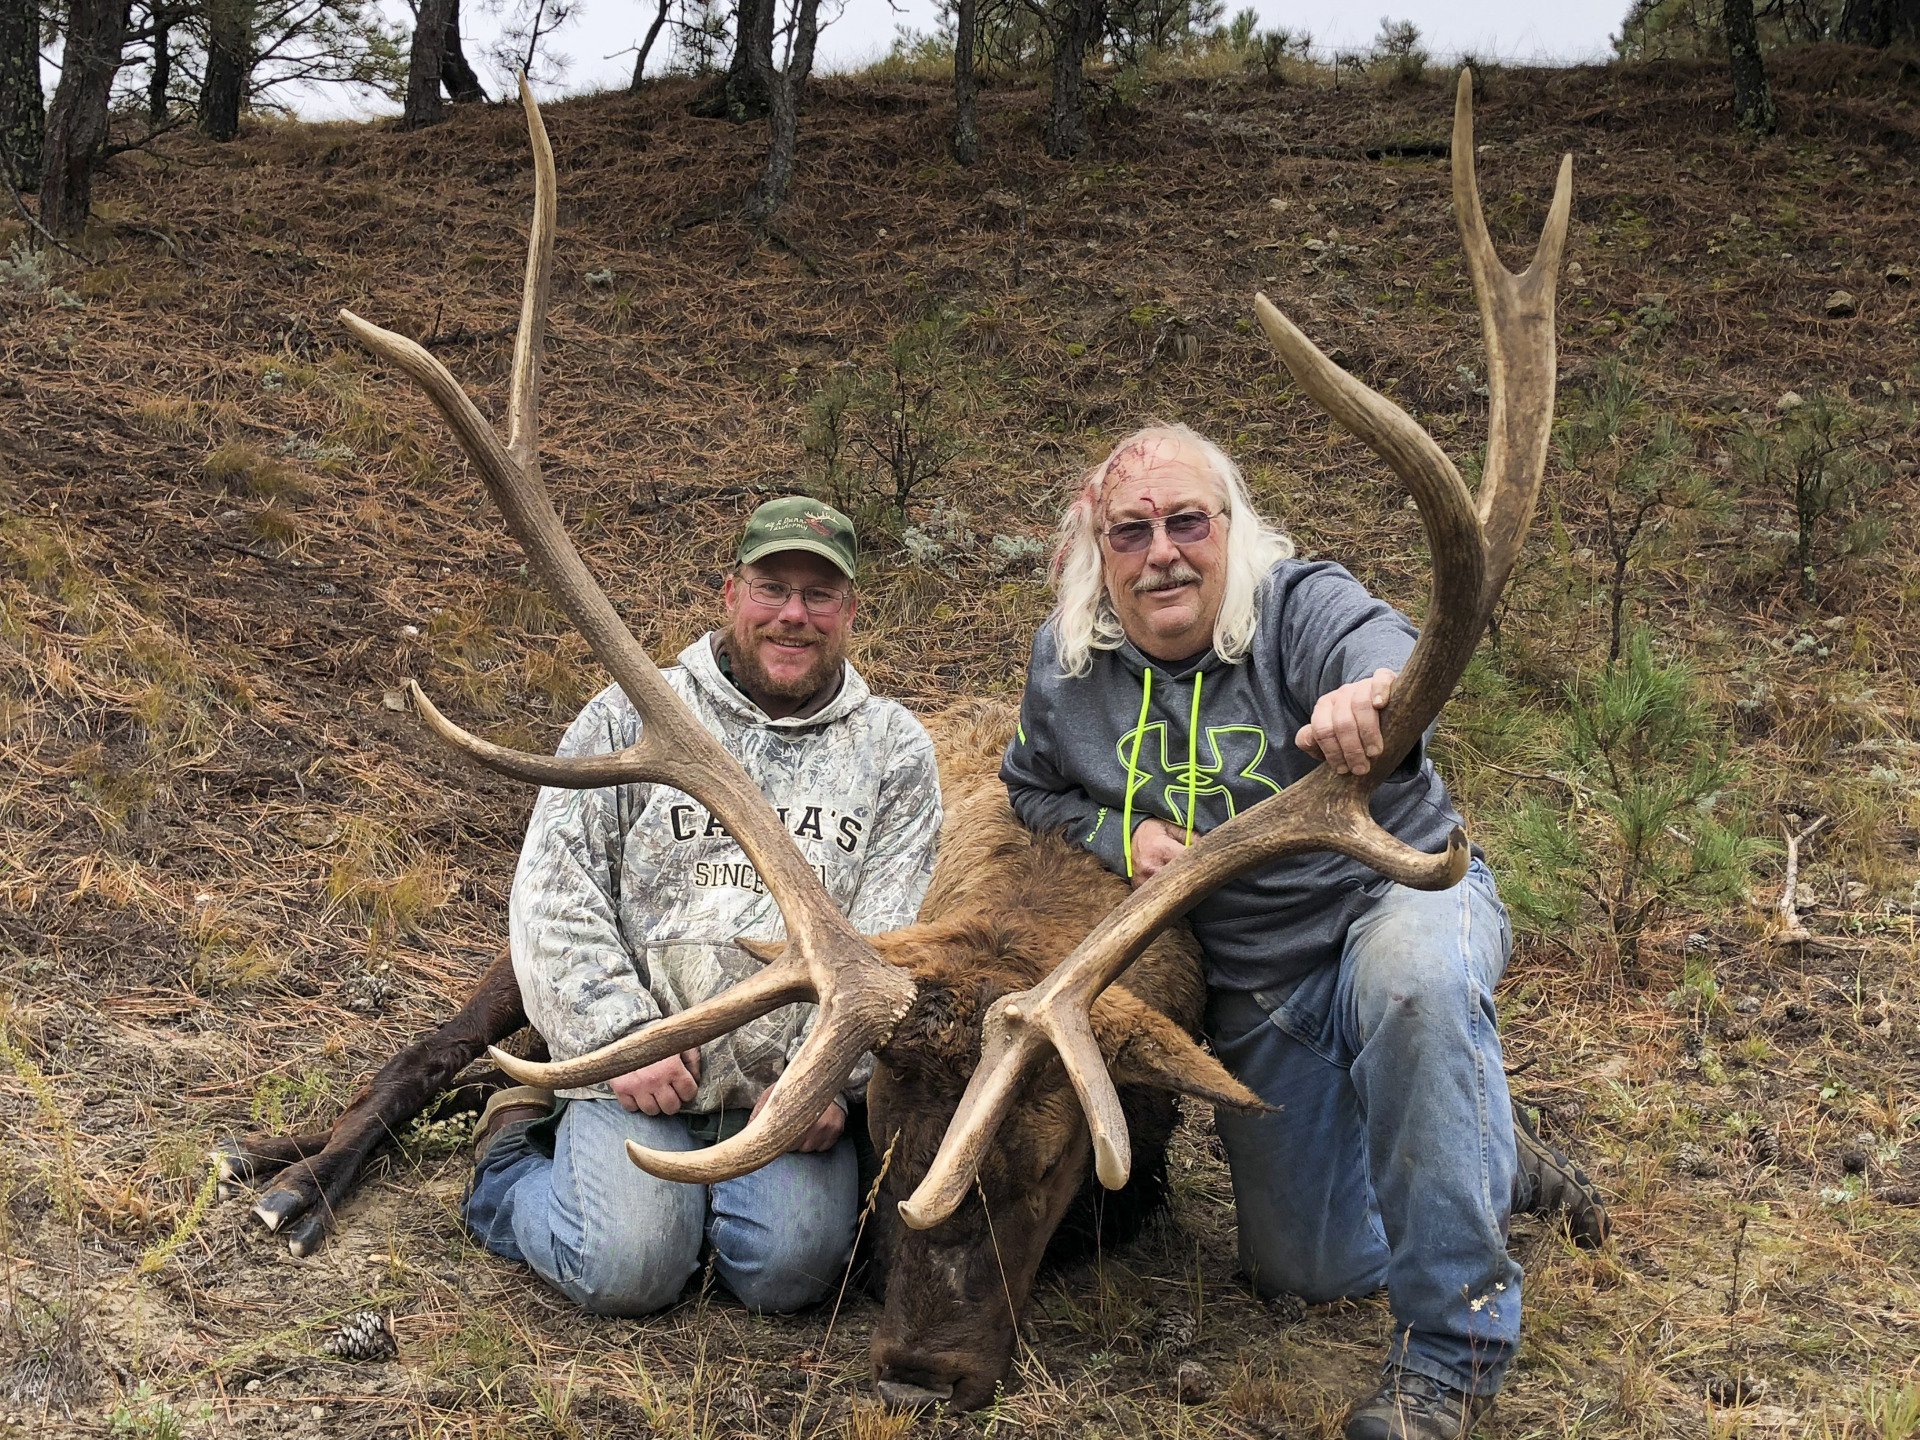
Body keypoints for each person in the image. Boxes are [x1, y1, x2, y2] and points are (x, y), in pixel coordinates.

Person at [1000, 425, 1607, 1440]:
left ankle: (1450, 1355)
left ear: (1231, 528)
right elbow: (1031, 788)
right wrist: (1121, 832)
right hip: (1264, 986)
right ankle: (1481, 1147)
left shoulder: (1297, 603)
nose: (1162, 553)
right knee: (1306, 1271)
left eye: (1188, 522)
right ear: (1096, 553)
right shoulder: (1067, 668)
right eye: (1131, 532)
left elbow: (1395, 652)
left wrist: (1377, 697)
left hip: (1396, 895)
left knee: (1414, 988)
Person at [464, 496, 943, 1316]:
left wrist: (830, 1077)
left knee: (792, 1273)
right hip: (639, 1075)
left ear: (850, 612)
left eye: (819, 595)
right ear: (731, 594)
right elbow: (554, 892)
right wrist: (619, 1038)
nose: (793, 615)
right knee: (626, 1271)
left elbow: (893, 938)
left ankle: (680, 1219)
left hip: (781, 1094)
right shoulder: (632, 711)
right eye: (772, 588)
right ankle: (510, 1167)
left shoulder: (892, 749)